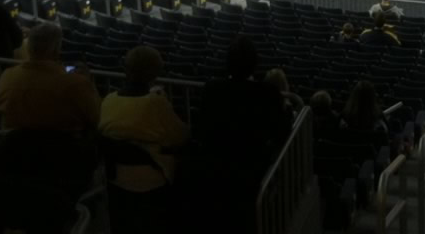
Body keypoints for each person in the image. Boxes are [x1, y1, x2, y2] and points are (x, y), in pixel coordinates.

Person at [192, 36, 292, 231]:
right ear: (254, 64)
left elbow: (201, 127)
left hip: (215, 169)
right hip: (253, 171)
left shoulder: (212, 89)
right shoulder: (267, 93)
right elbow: (281, 132)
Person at [99, 45, 189, 232]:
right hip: (152, 179)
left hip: (115, 179)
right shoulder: (155, 102)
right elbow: (180, 136)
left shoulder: (109, 99)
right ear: (154, 73)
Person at [0, 22, 100, 135]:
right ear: (56, 50)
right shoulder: (76, 83)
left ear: (28, 47)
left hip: (15, 143)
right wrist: (89, 83)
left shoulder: (7, 76)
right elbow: (95, 118)